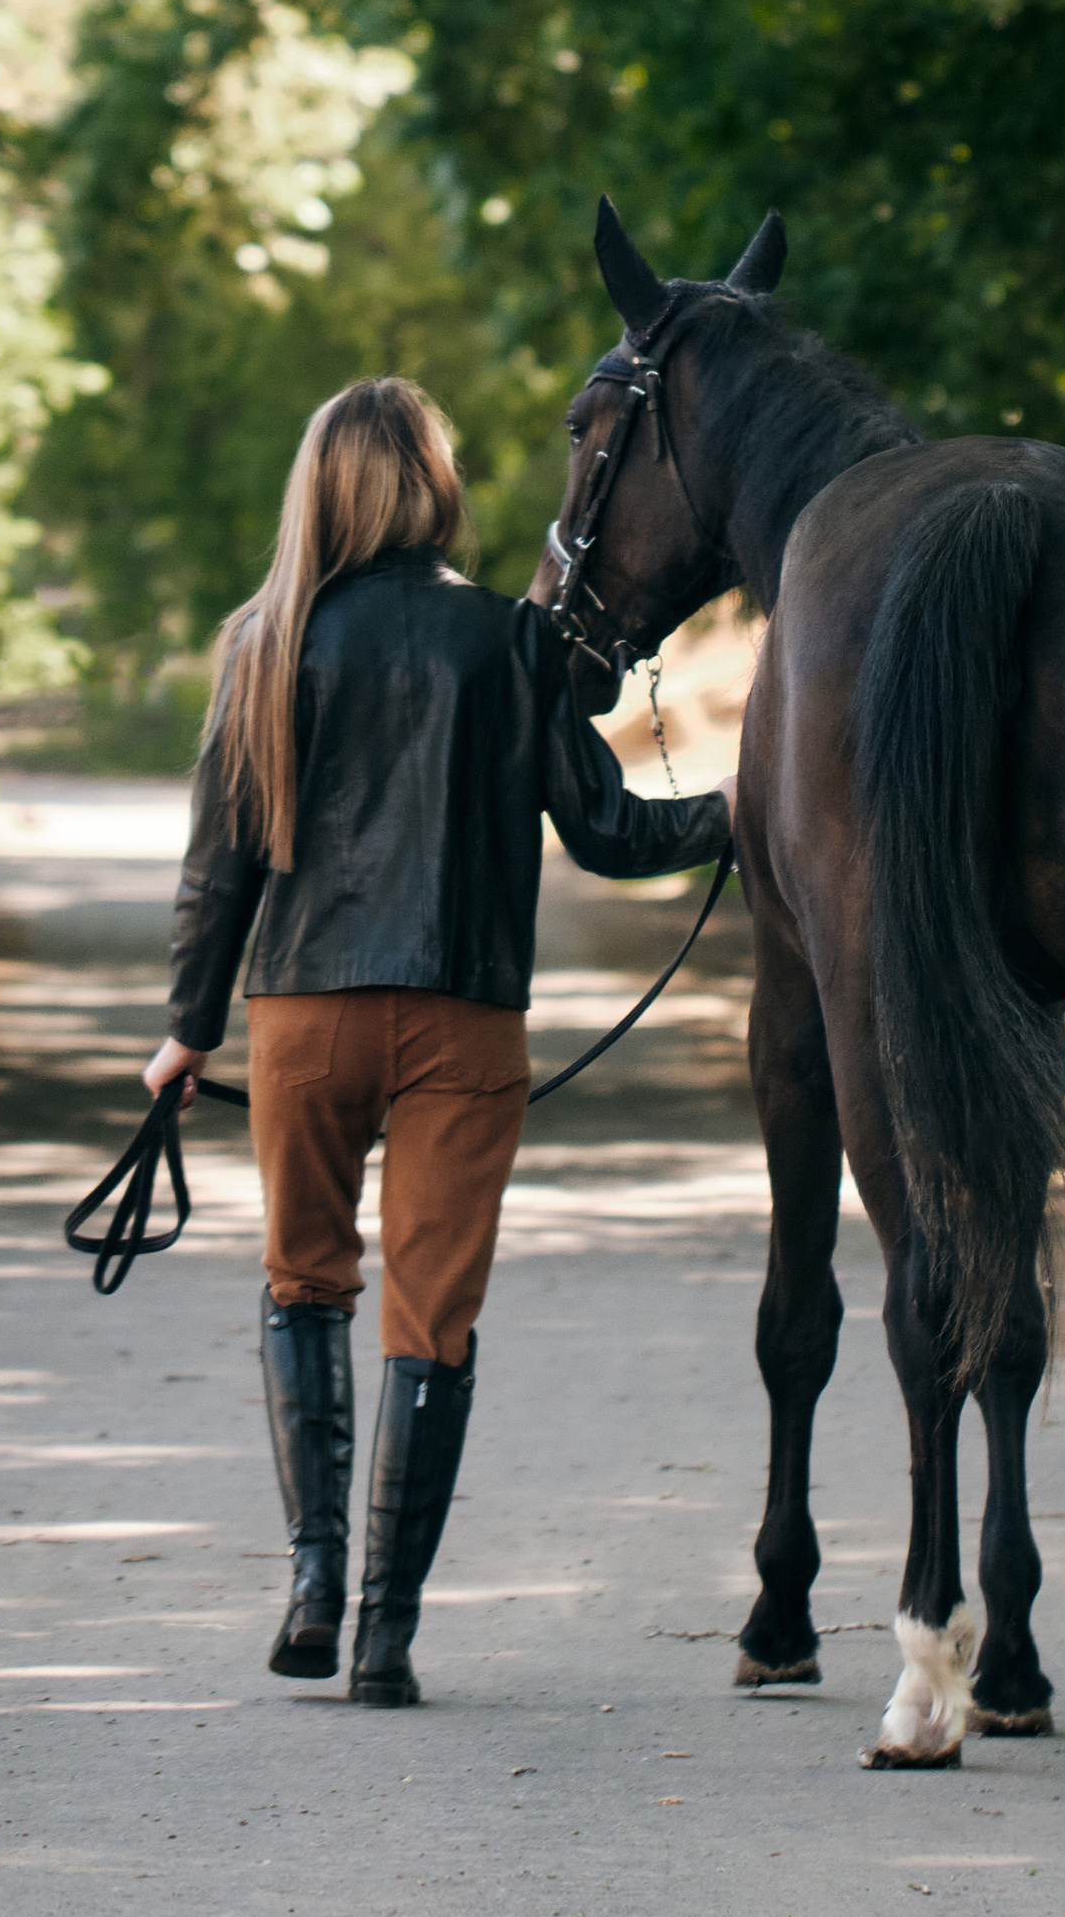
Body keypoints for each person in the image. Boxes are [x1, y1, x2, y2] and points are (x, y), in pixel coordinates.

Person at [145, 375, 732, 1707]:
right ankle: (385, 1632)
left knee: (305, 1284)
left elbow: (217, 867)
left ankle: (309, 1576)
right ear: (433, 485)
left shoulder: (266, 642)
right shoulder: (512, 645)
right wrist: (739, 813)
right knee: (432, 1318)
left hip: (301, 1020)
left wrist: (188, 1035)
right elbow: (608, 833)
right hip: (465, 1023)